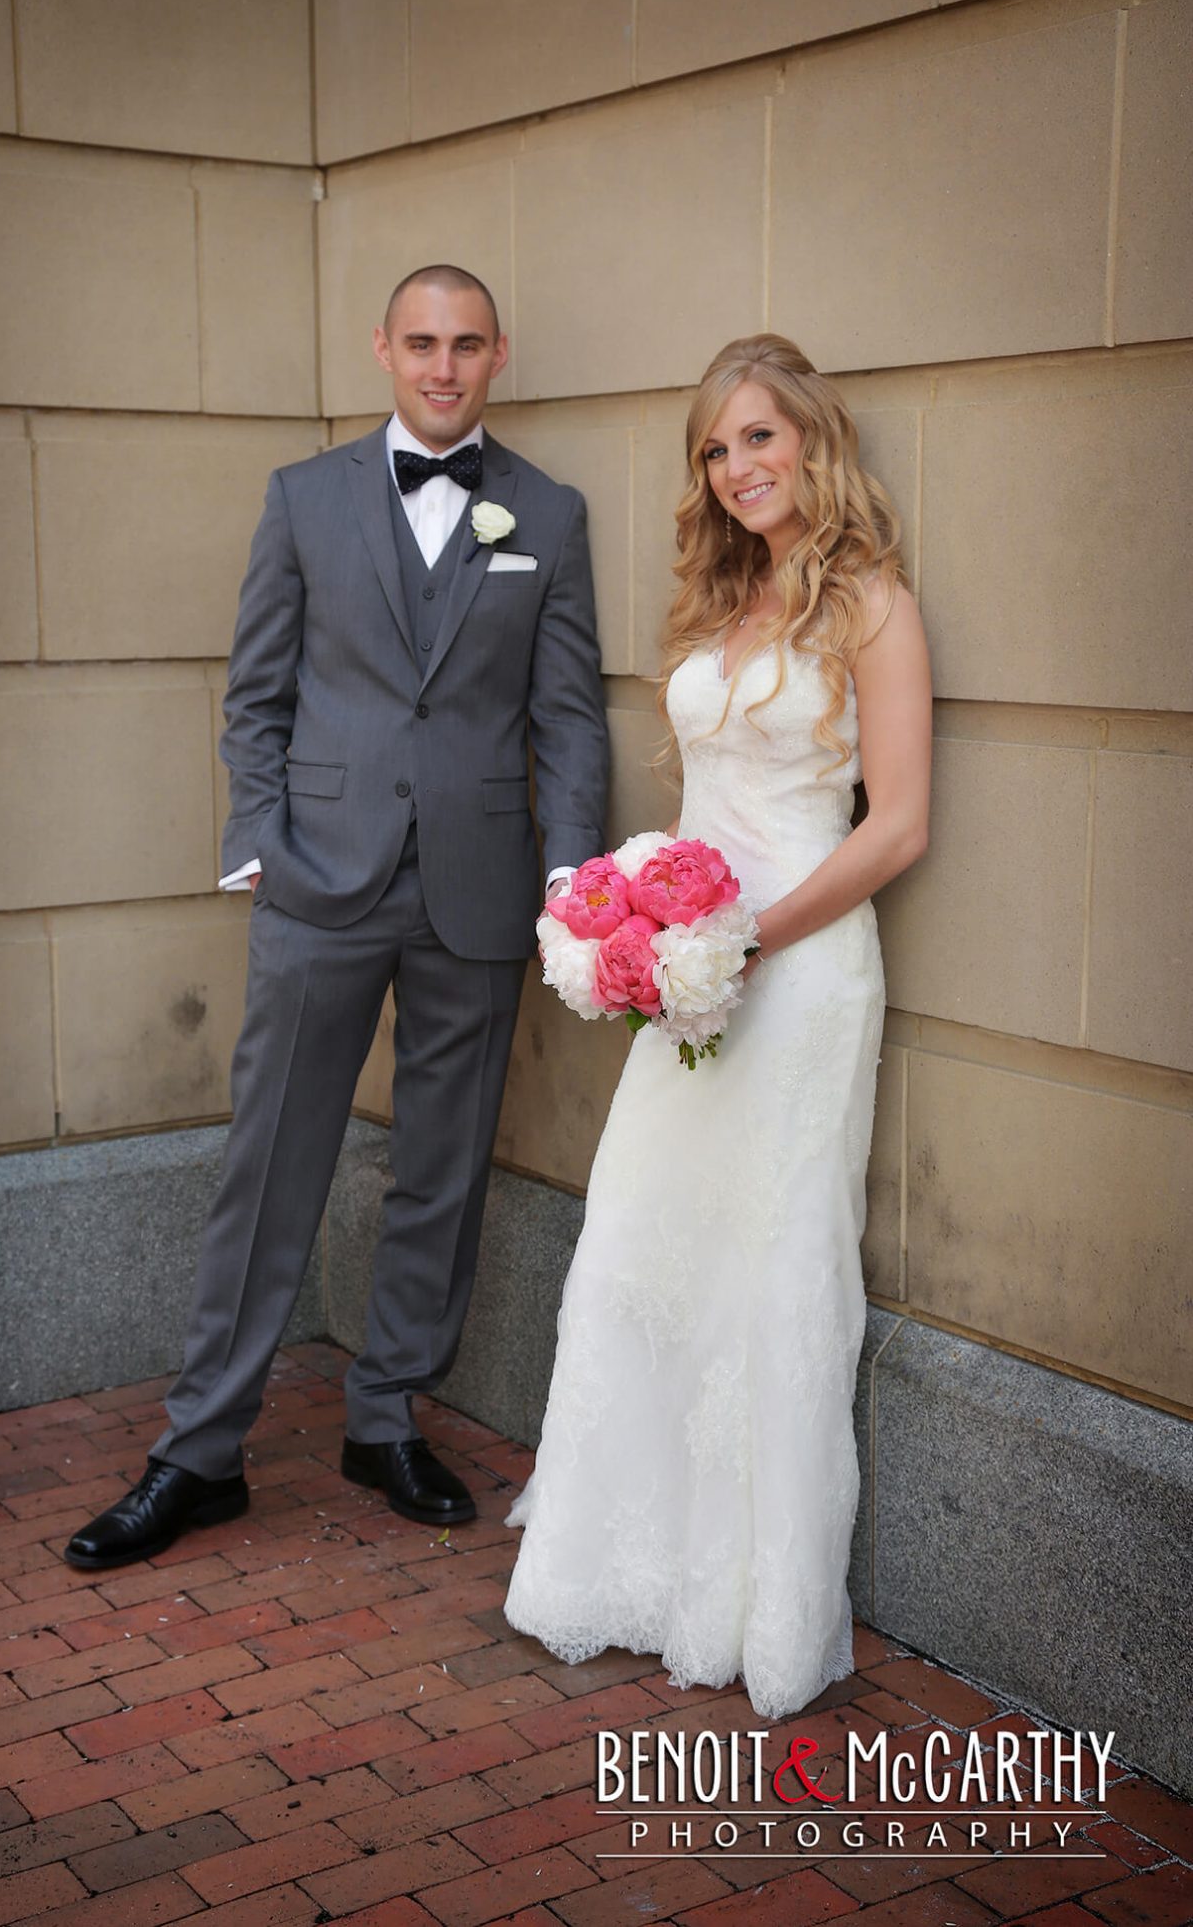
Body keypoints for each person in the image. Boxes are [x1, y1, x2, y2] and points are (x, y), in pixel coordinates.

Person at [66, 265, 609, 1570]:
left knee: (442, 1165)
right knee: (270, 1165)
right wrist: (256, 840)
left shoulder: (547, 510)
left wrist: (572, 880)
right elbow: (253, 690)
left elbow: (569, 712)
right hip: (318, 877)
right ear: (381, 348)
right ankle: (199, 1450)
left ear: (496, 355)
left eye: (465, 345)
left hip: (477, 887)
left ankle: (384, 1414)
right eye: (419, 342)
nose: (441, 366)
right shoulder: (302, 499)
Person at [503, 333, 931, 1718]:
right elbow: (701, 812)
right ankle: (620, 1561)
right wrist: (636, 923)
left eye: (758, 436)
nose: (737, 465)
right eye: (714, 446)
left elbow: (902, 824)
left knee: (766, 1267)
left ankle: (753, 1602)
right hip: (690, 974)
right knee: (641, 1238)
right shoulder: (722, 593)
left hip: (797, 977)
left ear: (810, 437)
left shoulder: (870, 601)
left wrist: (748, 936)